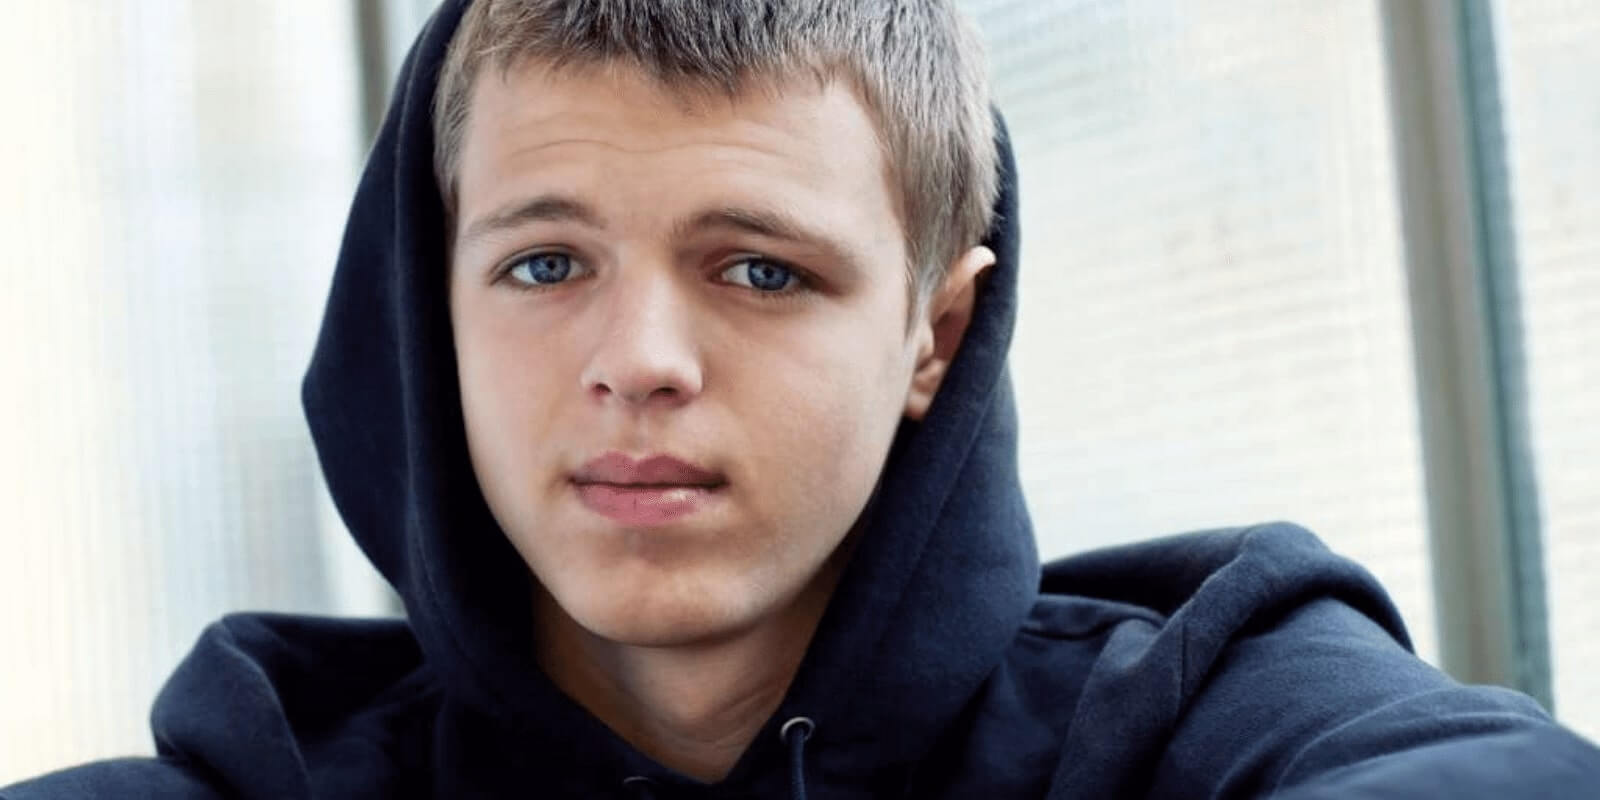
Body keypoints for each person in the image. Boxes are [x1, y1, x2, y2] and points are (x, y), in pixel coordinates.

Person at [7, 1, 1599, 797]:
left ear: (935, 332)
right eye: (544, 267)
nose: (640, 359)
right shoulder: (263, 770)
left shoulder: (1215, 713)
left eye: (759, 271)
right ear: (434, 314)